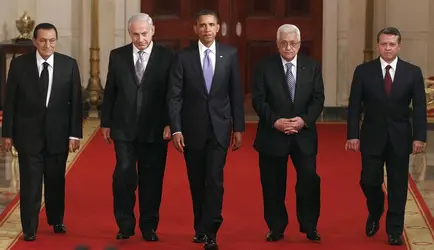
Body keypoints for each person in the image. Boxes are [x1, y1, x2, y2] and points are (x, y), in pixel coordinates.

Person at [167, 9, 245, 250]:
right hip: (192, 130)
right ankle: (200, 228)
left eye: (211, 25)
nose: (207, 29)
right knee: (197, 180)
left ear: (218, 27)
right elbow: (175, 97)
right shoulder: (182, 57)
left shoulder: (230, 54)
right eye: (203, 25)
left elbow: (235, 93)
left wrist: (238, 128)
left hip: (220, 128)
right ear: (195, 29)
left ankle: (212, 230)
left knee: (214, 179)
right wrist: (177, 129)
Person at [2, 23, 82, 241]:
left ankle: (57, 220)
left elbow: (75, 103)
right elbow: (10, 102)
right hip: (28, 136)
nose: (48, 45)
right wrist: (6, 133)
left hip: (58, 135)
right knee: (30, 184)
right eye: (44, 40)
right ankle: (29, 228)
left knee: (56, 182)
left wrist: (74, 134)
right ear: (35, 42)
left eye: (52, 40)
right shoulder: (19, 65)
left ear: (56, 41)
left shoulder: (69, 65)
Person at [346, 27, 427, 246]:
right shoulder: (363, 71)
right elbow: (354, 106)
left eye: (392, 44)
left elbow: (419, 108)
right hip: (371, 136)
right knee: (368, 181)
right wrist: (352, 135)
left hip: (400, 138)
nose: (388, 48)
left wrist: (419, 137)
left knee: (398, 186)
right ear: (378, 45)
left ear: (399, 46)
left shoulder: (412, 72)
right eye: (383, 44)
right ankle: (375, 208)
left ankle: (394, 231)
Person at [100, 13, 173, 241]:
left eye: (144, 33)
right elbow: (110, 91)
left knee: (152, 179)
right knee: (123, 176)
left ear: (152, 31)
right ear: (129, 33)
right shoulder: (118, 56)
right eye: (135, 34)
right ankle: (125, 224)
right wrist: (106, 122)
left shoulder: (168, 57)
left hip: (156, 128)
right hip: (124, 127)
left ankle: (149, 226)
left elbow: (173, 94)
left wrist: (172, 123)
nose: (140, 39)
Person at [252, 24, 324, 243]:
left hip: (304, 135)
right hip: (273, 135)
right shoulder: (264, 66)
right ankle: (276, 227)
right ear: (277, 44)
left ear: (299, 44)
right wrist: (276, 121)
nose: (288, 47)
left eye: (293, 43)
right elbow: (258, 99)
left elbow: (318, 98)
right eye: (284, 43)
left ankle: (310, 226)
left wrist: (304, 120)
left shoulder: (312, 66)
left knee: (309, 182)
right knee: (273, 185)